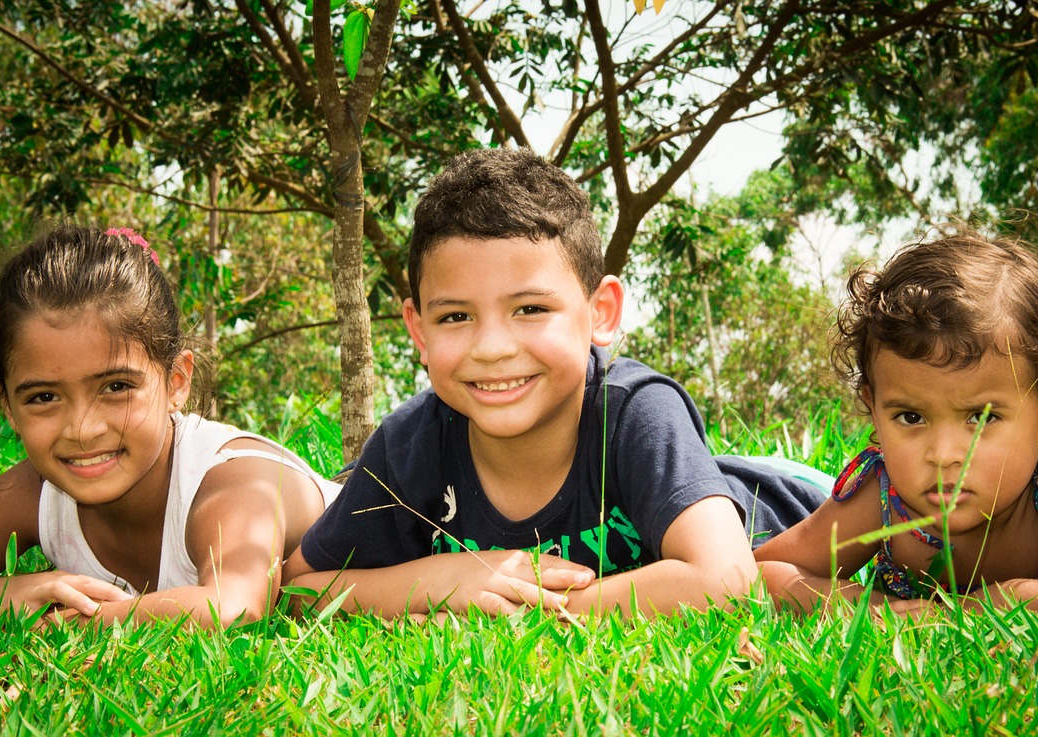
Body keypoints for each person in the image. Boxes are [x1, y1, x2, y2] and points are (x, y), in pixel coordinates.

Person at [283, 148, 825, 618]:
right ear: (418, 331)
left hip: (803, 510)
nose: (492, 347)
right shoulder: (408, 446)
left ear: (601, 312)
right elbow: (300, 588)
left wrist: (522, 610)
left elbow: (728, 583)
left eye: (530, 308)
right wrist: (444, 580)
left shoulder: (636, 410)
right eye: (454, 317)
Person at [0, 225, 338, 627]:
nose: (82, 428)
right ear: (7, 405)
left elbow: (234, 605)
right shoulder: (29, 494)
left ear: (176, 381)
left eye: (116, 387)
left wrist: (68, 623)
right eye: (44, 397)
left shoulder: (233, 481)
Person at [757, 231, 1038, 611]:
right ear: (874, 409)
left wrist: (1020, 599)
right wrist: (872, 608)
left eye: (982, 418)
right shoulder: (884, 496)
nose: (943, 455)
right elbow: (757, 574)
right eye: (911, 417)